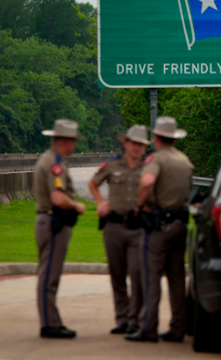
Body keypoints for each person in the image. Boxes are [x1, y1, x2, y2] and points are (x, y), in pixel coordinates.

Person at [125, 116, 193, 343]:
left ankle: (148, 327)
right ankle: (178, 327)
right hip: (180, 224)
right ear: (173, 138)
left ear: (155, 138)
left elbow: (146, 182)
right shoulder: (185, 161)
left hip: (158, 226)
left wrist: (140, 205)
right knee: (176, 278)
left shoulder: (156, 159)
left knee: (150, 277)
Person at [89, 125, 149, 335]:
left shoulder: (148, 168)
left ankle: (135, 320)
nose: (137, 148)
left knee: (137, 273)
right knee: (117, 275)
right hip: (114, 227)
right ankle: (122, 319)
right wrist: (100, 202)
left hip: (137, 228)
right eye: (134, 143)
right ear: (126, 144)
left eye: (141, 144)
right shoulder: (113, 165)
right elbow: (93, 182)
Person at [34, 119, 86, 339]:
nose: (74, 145)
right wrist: (76, 205)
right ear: (65, 141)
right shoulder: (54, 163)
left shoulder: (53, 160)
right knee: (49, 276)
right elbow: (57, 197)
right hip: (53, 222)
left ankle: (52, 321)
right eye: (72, 141)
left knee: (50, 274)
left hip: (49, 221)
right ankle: (49, 324)